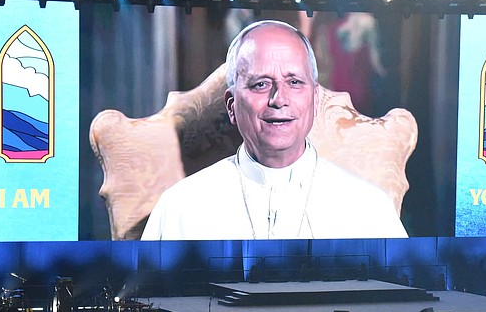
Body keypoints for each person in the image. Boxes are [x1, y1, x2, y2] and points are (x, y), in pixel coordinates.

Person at [142, 19, 408, 240]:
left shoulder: (368, 207)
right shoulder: (180, 207)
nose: (279, 99)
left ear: (314, 100)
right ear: (232, 106)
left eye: (294, 81)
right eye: (260, 84)